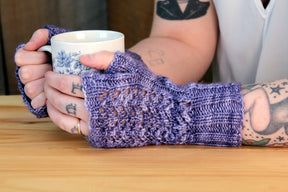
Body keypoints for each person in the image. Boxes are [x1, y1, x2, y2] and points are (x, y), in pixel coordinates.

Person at [14, 0, 288, 148]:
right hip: (222, 165)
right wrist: (104, 76)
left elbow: (165, 109)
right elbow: (180, 37)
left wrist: (171, 111)